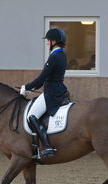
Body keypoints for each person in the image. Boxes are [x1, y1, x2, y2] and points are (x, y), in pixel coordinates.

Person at [20, 28, 69, 158]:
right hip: (57, 89)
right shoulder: (62, 55)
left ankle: (47, 146)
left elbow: (42, 79)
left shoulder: (54, 57)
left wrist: (26, 87)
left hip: (51, 93)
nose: (47, 43)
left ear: (53, 41)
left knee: (31, 116)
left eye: (48, 40)